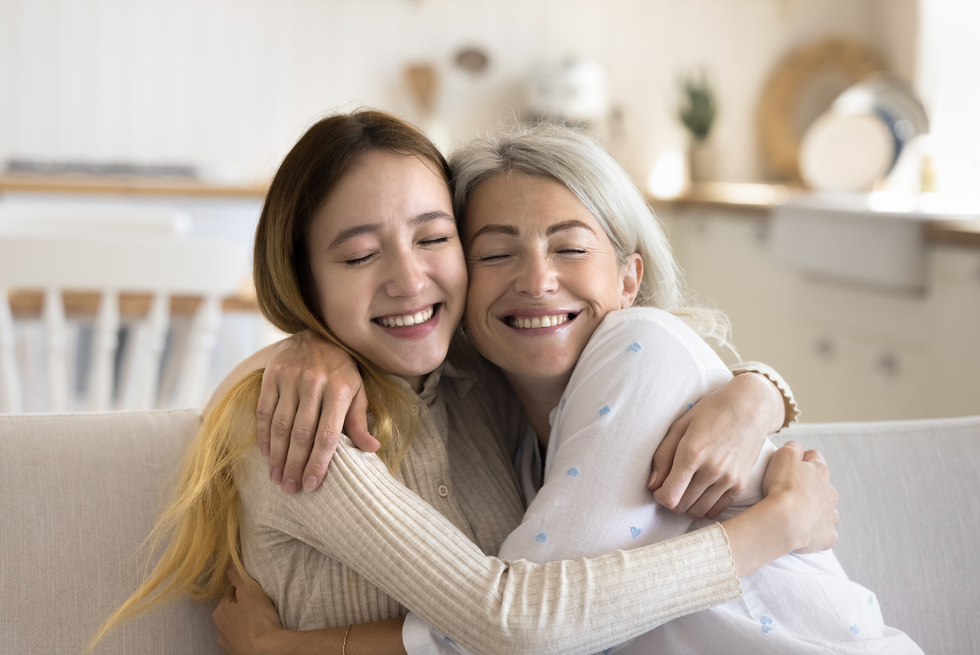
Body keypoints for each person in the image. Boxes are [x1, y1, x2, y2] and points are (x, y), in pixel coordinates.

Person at [93, 110, 838, 655]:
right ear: (303, 279)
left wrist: (760, 388)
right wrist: (773, 528)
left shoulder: (479, 390)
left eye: (433, 237)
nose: (408, 279)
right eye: (358, 256)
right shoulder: (309, 425)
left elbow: (642, 362)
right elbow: (511, 623)